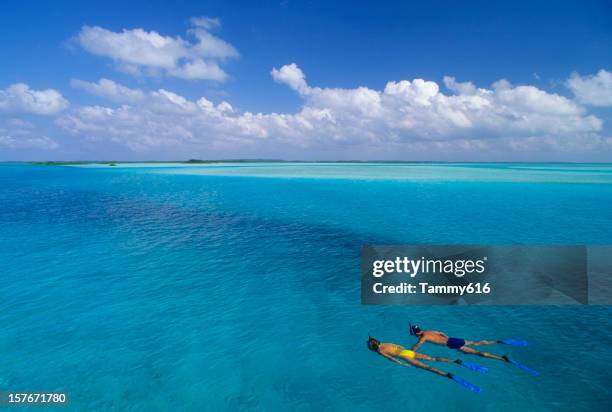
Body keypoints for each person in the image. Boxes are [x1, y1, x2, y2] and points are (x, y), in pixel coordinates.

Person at [408, 323, 510, 362]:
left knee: (478, 353)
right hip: (453, 339)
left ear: (416, 334)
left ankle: (501, 358)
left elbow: (417, 346)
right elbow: (442, 333)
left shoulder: (423, 338)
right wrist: (447, 339)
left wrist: (410, 352)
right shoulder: (429, 331)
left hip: (451, 344)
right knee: (476, 343)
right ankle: (498, 341)